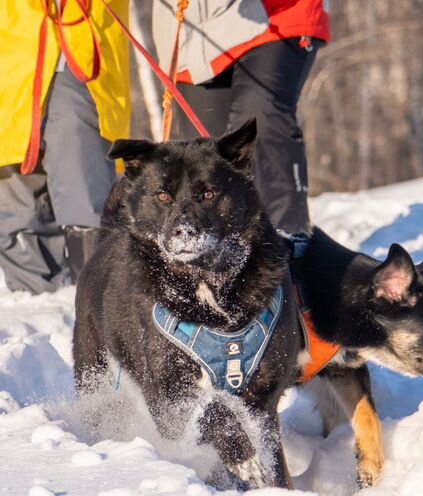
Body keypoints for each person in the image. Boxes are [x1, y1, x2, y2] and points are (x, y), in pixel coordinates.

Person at [152, 0, 330, 234]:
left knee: (258, 120)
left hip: (276, 15)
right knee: (203, 155)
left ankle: (286, 244)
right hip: (193, 33)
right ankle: (214, 256)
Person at [0, 0, 130, 294]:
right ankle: (36, 298)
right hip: (10, 49)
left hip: (79, 44)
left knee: (82, 182)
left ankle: (98, 294)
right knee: (15, 180)